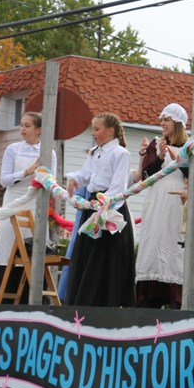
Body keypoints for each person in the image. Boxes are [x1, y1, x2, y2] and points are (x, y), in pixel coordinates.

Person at [64, 112, 135, 308]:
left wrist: (105, 210)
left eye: (97, 129)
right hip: (92, 204)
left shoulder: (121, 153)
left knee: (104, 256)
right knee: (88, 254)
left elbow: (119, 184)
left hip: (109, 206)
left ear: (110, 131)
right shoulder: (95, 152)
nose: (93, 133)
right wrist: (75, 180)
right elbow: (86, 175)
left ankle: (105, 302)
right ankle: (85, 301)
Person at [0, 111, 57, 300]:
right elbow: (4, 180)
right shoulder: (13, 149)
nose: (22, 129)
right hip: (13, 201)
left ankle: (33, 298)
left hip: (36, 203)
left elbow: (52, 180)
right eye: (21, 125)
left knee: (33, 249)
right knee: (7, 248)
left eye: (27, 125)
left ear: (38, 129)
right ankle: (3, 298)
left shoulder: (48, 152)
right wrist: (26, 172)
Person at [135, 103, 190, 308]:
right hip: (158, 198)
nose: (162, 124)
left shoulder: (188, 147)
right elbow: (147, 175)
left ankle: (175, 297)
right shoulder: (156, 144)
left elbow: (192, 175)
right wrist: (158, 157)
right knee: (154, 241)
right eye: (161, 120)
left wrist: (180, 159)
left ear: (176, 122)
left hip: (176, 200)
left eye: (166, 120)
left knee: (173, 242)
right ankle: (148, 298)